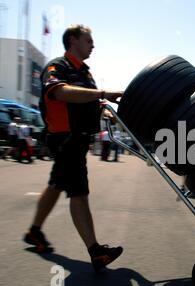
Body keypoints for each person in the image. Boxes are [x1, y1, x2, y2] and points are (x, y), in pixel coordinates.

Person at [23, 24, 124, 272]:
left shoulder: (86, 73)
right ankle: (96, 251)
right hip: (64, 140)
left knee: (57, 184)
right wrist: (102, 93)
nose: (93, 45)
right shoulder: (57, 67)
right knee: (78, 192)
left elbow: (89, 102)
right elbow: (60, 92)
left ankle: (34, 231)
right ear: (72, 41)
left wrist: (103, 111)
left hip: (78, 140)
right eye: (88, 40)